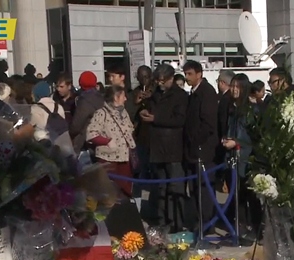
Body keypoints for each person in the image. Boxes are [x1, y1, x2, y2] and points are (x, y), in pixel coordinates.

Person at [139, 64, 189, 232]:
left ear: (171, 79)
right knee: (161, 188)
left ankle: (176, 222)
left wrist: (156, 118)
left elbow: (179, 120)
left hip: (173, 148)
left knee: (175, 187)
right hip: (158, 147)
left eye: (163, 81)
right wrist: (145, 112)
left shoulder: (180, 96)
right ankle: (162, 221)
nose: (160, 84)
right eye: (158, 81)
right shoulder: (155, 95)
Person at [221, 73, 261, 242]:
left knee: (248, 196)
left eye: (238, 87)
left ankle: (254, 229)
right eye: (233, 86)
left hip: (245, 159)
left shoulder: (251, 109)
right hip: (232, 158)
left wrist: (236, 142)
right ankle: (238, 226)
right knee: (235, 196)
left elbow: (254, 137)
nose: (234, 90)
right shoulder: (232, 107)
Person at [182, 60, 219, 232]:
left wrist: (196, 141)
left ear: (199, 74)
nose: (187, 77)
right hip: (192, 149)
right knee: (195, 188)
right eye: (185, 74)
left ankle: (206, 223)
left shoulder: (207, 93)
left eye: (190, 74)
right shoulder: (193, 93)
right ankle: (199, 221)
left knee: (204, 190)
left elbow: (208, 123)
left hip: (203, 149)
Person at [86, 85, 137, 197]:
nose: (125, 99)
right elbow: (91, 134)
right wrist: (107, 141)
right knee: (110, 192)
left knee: (125, 190)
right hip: (108, 159)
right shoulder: (101, 113)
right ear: (116, 97)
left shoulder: (124, 113)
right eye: (123, 96)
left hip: (124, 158)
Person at [70, 71, 105, 153]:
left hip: (86, 142)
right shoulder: (101, 98)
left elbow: (77, 124)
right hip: (100, 138)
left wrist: (70, 134)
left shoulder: (84, 100)